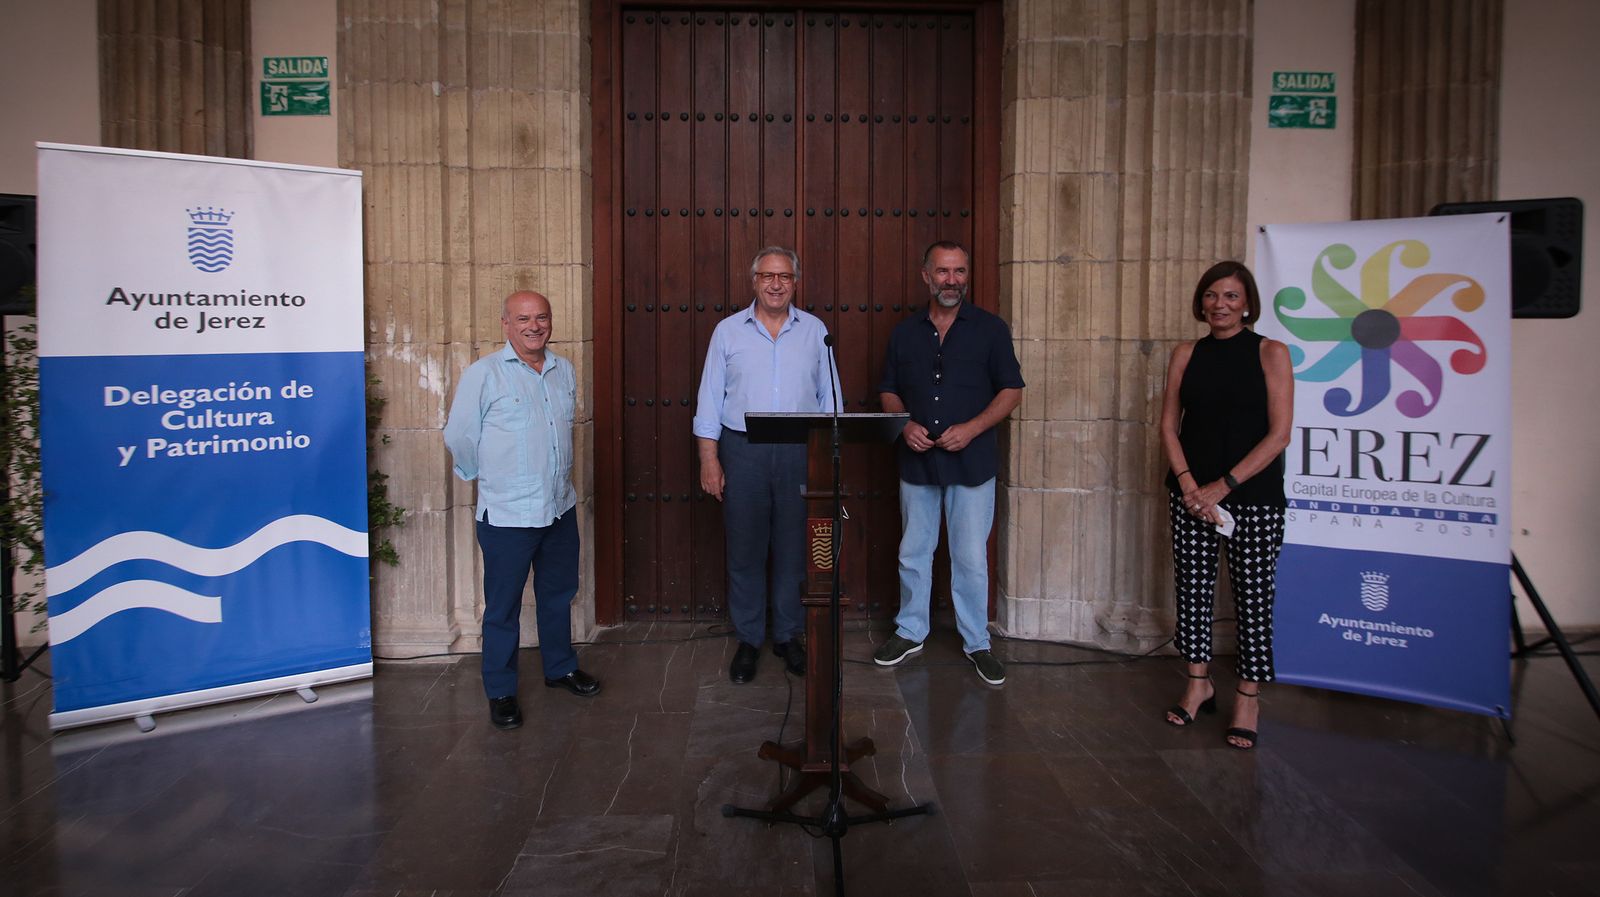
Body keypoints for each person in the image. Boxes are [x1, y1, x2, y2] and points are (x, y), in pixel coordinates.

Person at [443, 290, 601, 730]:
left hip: (558, 508)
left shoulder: (563, 370)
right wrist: (490, 478)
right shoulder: (484, 374)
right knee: (502, 608)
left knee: (558, 594)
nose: (535, 326)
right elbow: (459, 435)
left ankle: (560, 668)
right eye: (524, 318)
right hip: (508, 515)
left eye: (542, 317)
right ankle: (501, 690)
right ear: (506, 324)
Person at [872, 241, 1025, 686]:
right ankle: (910, 631)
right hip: (917, 462)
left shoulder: (991, 330)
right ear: (926, 276)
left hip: (971, 462)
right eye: (942, 272)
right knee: (913, 552)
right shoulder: (904, 333)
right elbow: (888, 389)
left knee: (970, 558)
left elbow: (1011, 391)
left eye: (959, 271)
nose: (952, 280)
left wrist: (973, 428)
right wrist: (903, 425)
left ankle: (977, 641)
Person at [1159, 261, 1292, 750]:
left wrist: (1224, 485)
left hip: (1252, 498)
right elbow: (1170, 425)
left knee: (1253, 600)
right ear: (1201, 302)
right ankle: (1198, 683)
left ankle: (1248, 696)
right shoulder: (1186, 353)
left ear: (1248, 303)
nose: (1220, 304)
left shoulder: (1271, 353)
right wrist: (1191, 484)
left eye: (1232, 296)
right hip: (1189, 495)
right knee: (1192, 591)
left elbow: (1279, 434)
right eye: (1212, 295)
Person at [694, 247, 837, 684]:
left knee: (795, 549)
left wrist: (828, 460)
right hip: (744, 449)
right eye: (768, 276)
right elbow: (708, 398)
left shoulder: (815, 331)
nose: (776, 284)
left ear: (796, 282)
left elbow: (831, 400)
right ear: (753, 280)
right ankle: (750, 638)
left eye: (785, 276)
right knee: (746, 548)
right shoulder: (727, 332)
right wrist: (709, 459)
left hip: (800, 450)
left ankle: (788, 636)